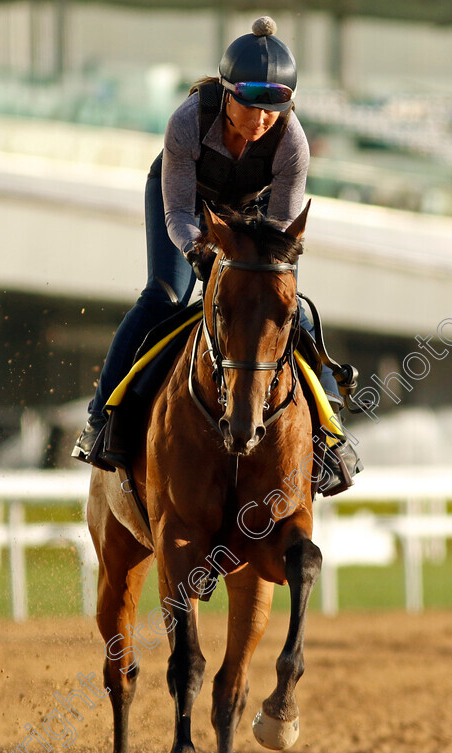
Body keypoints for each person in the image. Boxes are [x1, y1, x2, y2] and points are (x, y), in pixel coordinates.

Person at [72, 16, 355, 493]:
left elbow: (282, 233)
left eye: (275, 109)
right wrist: (199, 252)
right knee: (162, 297)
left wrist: (258, 275)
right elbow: (179, 212)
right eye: (252, 106)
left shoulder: (293, 143)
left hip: (254, 217)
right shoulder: (186, 123)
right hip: (185, 208)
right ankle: (102, 419)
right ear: (227, 93)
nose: (263, 121)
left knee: (288, 309)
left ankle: (331, 437)